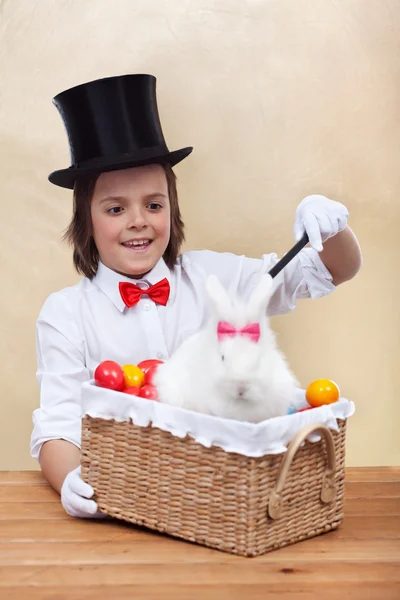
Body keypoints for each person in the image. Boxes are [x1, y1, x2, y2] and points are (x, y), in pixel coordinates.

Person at [30, 74, 362, 518]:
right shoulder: (66, 314)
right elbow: (58, 428)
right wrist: (72, 482)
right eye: (114, 208)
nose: (138, 221)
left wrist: (331, 226)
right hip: (129, 502)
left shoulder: (214, 277)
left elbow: (334, 268)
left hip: (227, 500)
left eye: (154, 204)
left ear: (173, 208)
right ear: (86, 222)